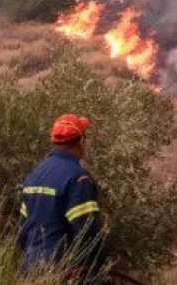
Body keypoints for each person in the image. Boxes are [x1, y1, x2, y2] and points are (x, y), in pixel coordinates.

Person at [18, 113, 106, 281]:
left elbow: (22, 228)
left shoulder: (34, 174)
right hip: (63, 269)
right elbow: (86, 229)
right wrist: (99, 264)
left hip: (30, 267)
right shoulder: (78, 178)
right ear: (81, 141)